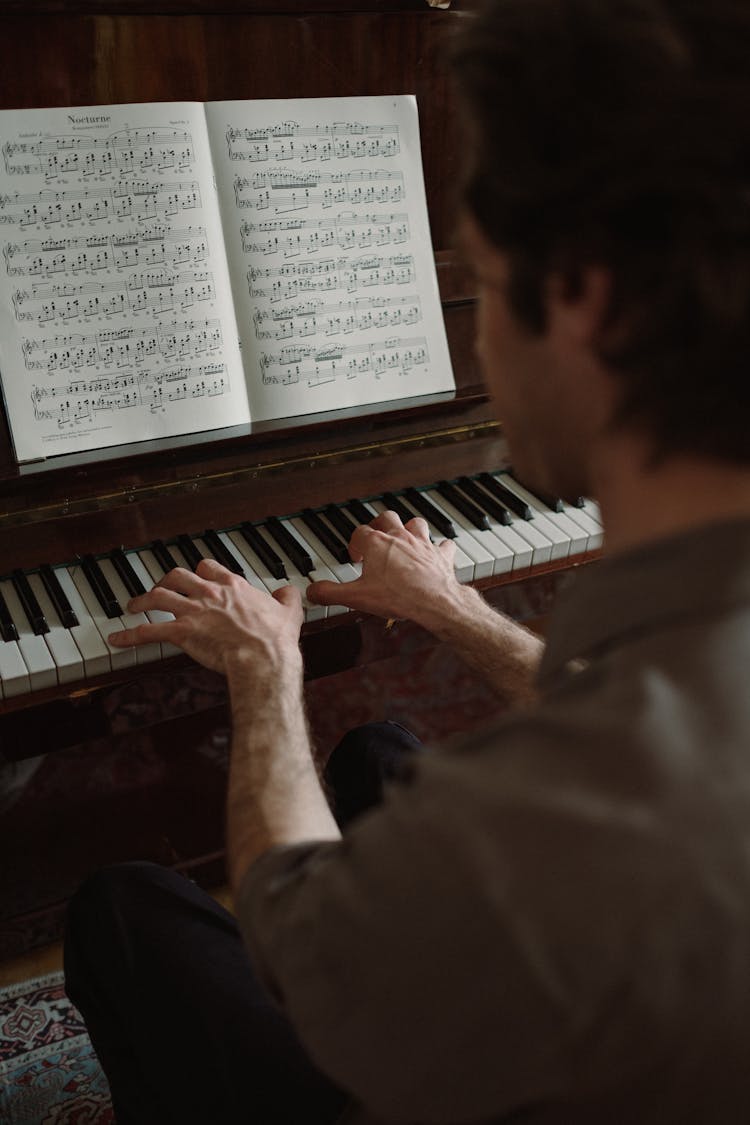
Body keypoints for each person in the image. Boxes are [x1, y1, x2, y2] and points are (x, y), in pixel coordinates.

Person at [64, 0, 750, 1121]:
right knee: (383, 749)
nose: (463, 332)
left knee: (124, 907)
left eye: (472, 274)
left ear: (581, 300)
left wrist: (264, 676)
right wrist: (456, 608)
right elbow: (661, 728)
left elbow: (297, 939)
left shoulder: (567, 809)